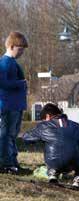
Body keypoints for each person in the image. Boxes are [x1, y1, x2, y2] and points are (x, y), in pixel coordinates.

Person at [21, 103, 79, 189]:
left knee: (50, 148)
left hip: (54, 162)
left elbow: (26, 137)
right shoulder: (75, 125)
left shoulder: (44, 126)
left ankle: (53, 174)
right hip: (74, 163)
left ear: (48, 116)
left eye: (43, 119)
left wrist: (39, 139)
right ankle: (78, 179)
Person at [0, 31, 28, 174]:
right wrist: (19, 84)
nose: (22, 52)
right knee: (5, 135)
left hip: (15, 106)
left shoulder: (13, 63)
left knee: (12, 135)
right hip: (7, 106)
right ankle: (6, 163)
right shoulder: (5, 62)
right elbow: (2, 82)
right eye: (20, 49)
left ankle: (13, 161)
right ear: (11, 46)